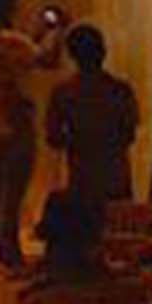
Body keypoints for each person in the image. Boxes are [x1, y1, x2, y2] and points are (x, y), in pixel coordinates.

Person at [0, 0, 64, 270]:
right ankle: (12, 256)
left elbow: (26, 51)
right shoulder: (7, 39)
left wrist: (38, 33)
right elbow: (46, 59)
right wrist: (58, 29)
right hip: (14, 115)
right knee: (13, 191)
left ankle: (2, 251)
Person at [44, 23, 139, 210]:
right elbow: (129, 134)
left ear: (73, 55)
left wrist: (79, 139)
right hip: (116, 176)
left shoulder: (64, 93)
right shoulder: (120, 90)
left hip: (82, 178)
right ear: (103, 51)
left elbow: (53, 137)